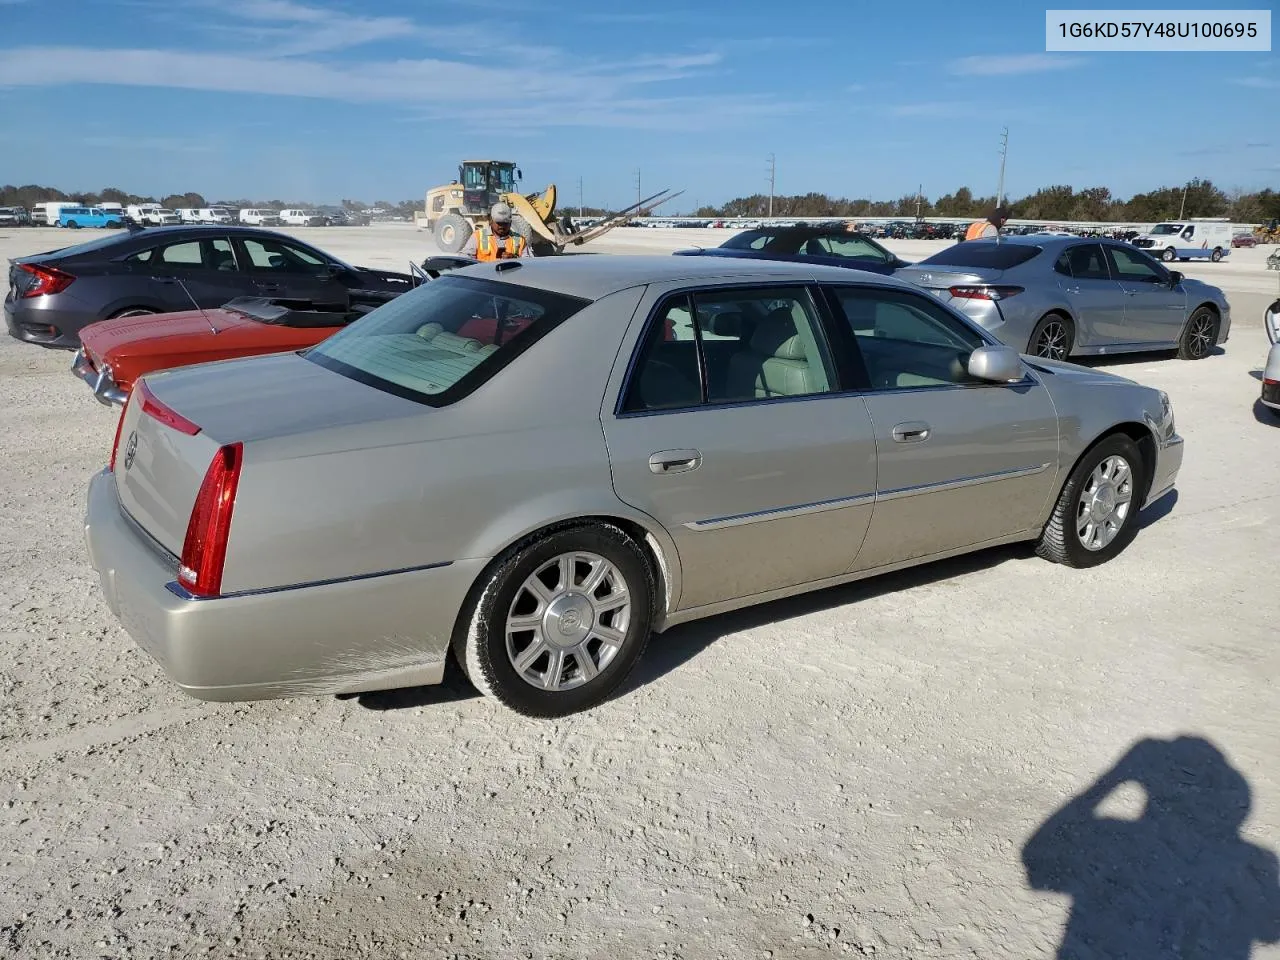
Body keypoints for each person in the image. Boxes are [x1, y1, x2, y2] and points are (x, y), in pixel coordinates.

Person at [461, 202, 530, 261]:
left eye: (505, 223)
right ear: (491, 221)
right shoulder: (478, 236)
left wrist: (515, 258)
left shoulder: (520, 240)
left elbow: (529, 263)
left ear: (510, 223)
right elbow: (465, 259)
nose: (502, 226)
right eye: (499, 223)